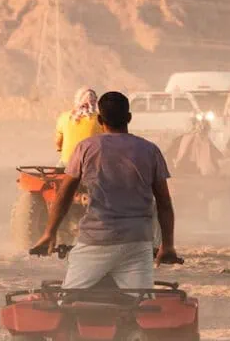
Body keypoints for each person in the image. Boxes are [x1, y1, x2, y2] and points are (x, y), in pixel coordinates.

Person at [31, 91, 180, 289]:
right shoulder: (150, 150)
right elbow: (164, 203)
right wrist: (167, 245)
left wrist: (49, 233)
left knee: (69, 300)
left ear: (100, 119)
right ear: (129, 118)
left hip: (95, 241)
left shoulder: (86, 148)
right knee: (142, 303)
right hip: (137, 242)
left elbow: (64, 195)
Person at [54, 87, 100, 166]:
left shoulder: (64, 117)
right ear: (95, 102)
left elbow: (58, 142)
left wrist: (60, 149)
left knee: (61, 163)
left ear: (77, 100)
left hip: (68, 162)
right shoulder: (100, 119)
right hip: (91, 163)